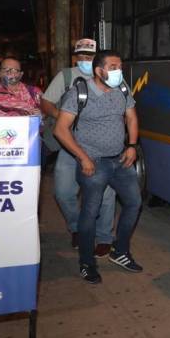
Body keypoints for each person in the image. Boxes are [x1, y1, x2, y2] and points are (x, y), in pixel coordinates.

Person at [54, 49, 143, 284]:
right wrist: (82, 157)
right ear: (99, 70)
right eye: (113, 67)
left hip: (120, 159)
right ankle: (86, 262)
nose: (118, 71)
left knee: (134, 203)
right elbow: (61, 129)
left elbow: (132, 117)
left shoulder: (121, 88)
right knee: (90, 213)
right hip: (93, 162)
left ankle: (120, 251)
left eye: (119, 66)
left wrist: (132, 145)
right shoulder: (79, 92)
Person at [40, 38, 117, 256]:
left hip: (99, 146)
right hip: (69, 144)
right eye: (81, 56)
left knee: (106, 193)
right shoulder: (66, 76)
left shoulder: (108, 77)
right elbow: (45, 102)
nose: (85, 60)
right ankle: (76, 228)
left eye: (90, 57)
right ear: (76, 57)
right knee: (63, 192)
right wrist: (62, 116)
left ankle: (104, 236)